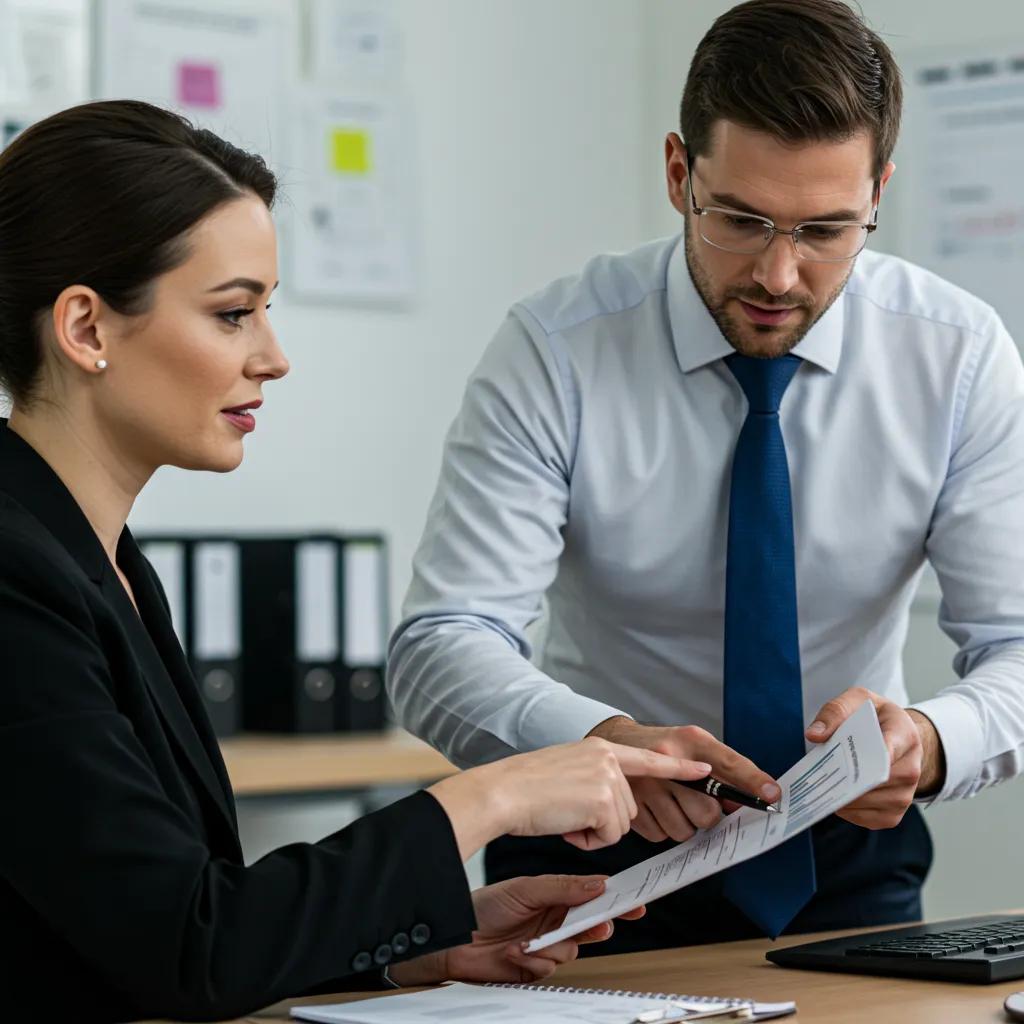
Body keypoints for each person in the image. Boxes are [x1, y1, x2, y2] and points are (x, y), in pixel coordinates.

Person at [0, 100, 723, 1023]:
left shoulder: (106, 564)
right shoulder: (17, 575)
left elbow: (168, 919)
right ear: (87, 329)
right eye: (233, 315)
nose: (274, 357)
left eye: (268, 311)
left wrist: (423, 949)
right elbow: (192, 949)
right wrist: (491, 796)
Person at [388, 0, 1024, 955]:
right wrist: (603, 740)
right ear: (680, 172)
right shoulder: (556, 350)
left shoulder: (957, 356)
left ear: (879, 193)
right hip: (587, 859)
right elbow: (442, 641)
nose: (779, 274)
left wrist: (930, 746)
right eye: (741, 219)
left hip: (845, 862)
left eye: (826, 231)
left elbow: (1016, 644)